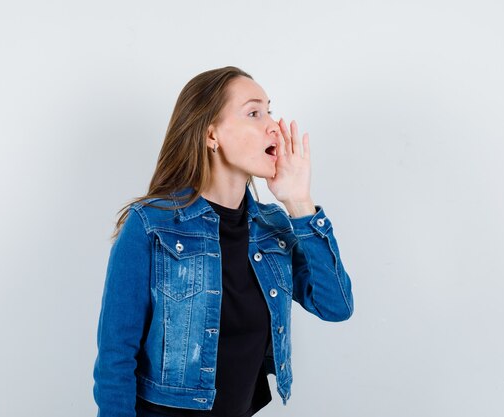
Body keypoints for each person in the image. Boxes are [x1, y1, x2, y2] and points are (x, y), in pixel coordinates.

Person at [92, 66, 354, 417]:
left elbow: (335, 305)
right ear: (211, 135)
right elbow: (115, 358)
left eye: (270, 110)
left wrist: (298, 203)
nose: (272, 124)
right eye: (253, 112)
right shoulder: (151, 225)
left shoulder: (273, 228)